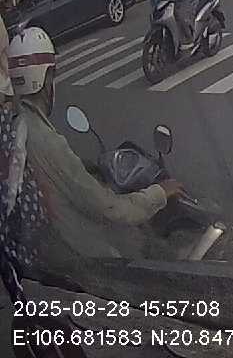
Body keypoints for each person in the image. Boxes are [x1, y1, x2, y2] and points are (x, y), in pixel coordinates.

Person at [0, 23, 183, 295]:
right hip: (86, 256)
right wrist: (158, 193)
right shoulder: (45, 140)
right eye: (52, 75)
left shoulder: (16, 126)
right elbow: (107, 207)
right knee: (159, 259)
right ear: (45, 80)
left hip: (44, 250)